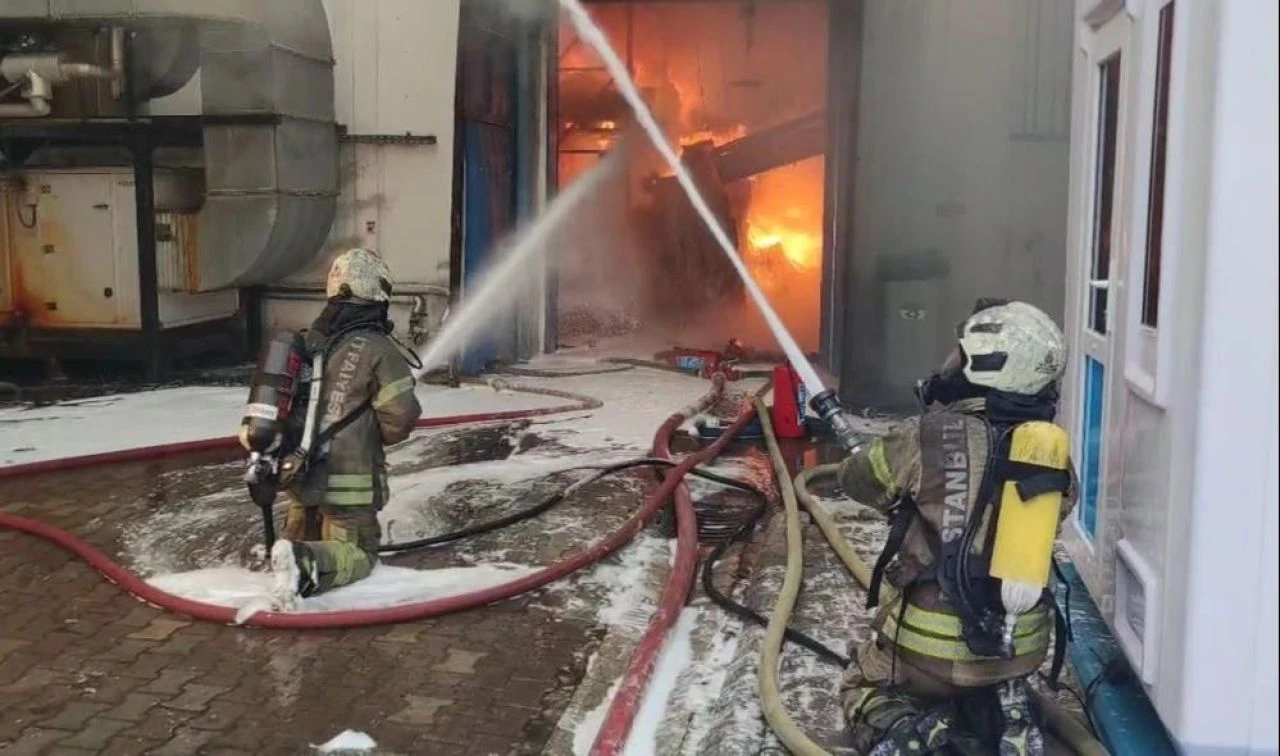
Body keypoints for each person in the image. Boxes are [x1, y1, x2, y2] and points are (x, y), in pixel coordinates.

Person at [838, 299, 1078, 756]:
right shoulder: (1051, 453)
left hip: (927, 651)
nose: (952, 364)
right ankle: (1008, 708)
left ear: (987, 365)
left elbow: (858, 481)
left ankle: (904, 731)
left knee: (861, 685)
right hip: (1020, 649)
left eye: (962, 355)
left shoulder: (923, 435)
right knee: (996, 680)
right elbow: (1062, 506)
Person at [269, 248, 422, 609]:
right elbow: (400, 417)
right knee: (358, 552)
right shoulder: (379, 350)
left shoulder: (310, 342)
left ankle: (289, 553)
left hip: (301, 476)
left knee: (301, 535)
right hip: (350, 487)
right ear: (376, 293)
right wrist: (371, 435)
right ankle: (302, 567)